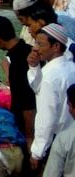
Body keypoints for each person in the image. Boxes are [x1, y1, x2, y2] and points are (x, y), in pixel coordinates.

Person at [28, 23, 75, 170]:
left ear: (55, 46)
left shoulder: (49, 76)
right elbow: (38, 87)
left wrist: (37, 152)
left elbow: (46, 118)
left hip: (57, 141)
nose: (36, 48)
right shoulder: (71, 67)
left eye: (41, 44)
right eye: (36, 43)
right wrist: (34, 67)